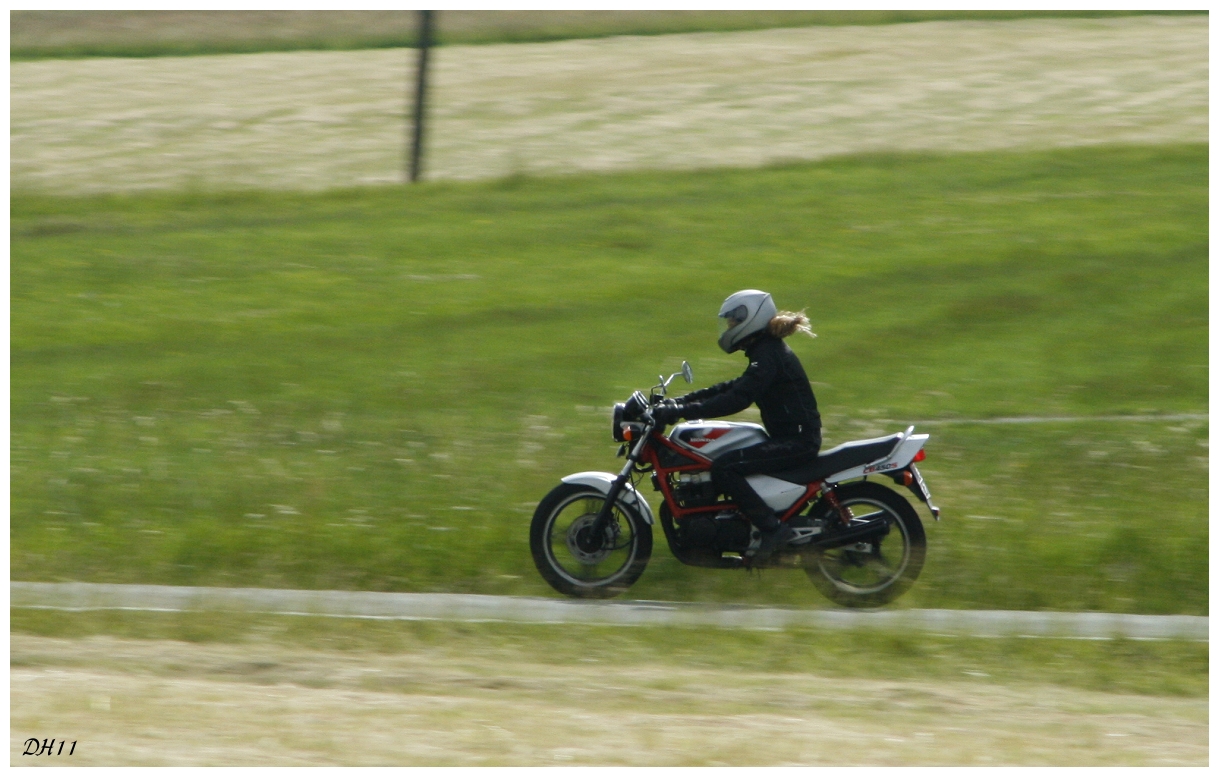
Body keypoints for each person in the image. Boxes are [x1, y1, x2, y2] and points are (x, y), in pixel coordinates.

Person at [652, 289, 821, 563]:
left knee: (724, 467)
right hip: (790, 438)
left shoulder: (768, 354)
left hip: (798, 442)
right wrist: (681, 402)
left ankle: (772, 530)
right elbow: (734, 387)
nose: (729, 326)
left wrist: (683, 412)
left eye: (733, 320)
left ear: (750, 317)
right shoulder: (765, 351)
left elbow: (738, 398)